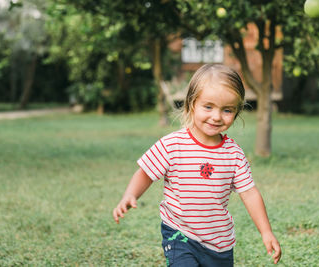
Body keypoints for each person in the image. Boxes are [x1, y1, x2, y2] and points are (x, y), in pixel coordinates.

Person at [112, 64, 281, 266]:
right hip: (179, 233)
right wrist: (131, 194)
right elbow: (146, 172)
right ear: (192, 104)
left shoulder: (233, 153)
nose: (216, 116)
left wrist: (266, 231)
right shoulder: (173, 145)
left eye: (227, 110)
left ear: (236, 112)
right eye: (208, 106)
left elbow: (250, 193)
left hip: (219, 243)